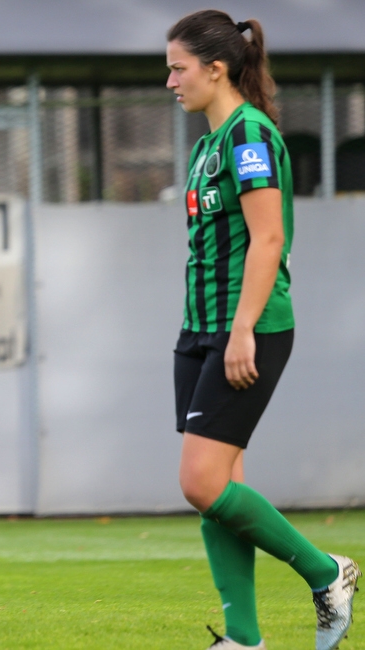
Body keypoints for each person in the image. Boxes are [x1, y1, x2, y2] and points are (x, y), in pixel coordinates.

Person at [166, 10, 360, 650]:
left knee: (201, 480)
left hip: (245, 327)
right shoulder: (205, 146)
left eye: (178, 67)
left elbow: (269, 238)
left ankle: (326, 572)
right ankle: (244, 640)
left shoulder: (250, 136)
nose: (171, 81)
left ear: (215, 68)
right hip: (200, 329)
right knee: (219, 488)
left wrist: (243, 328)